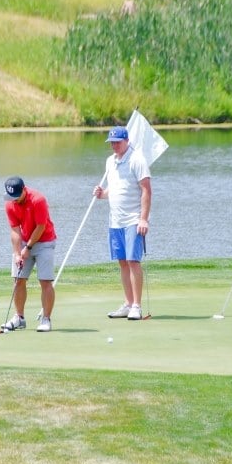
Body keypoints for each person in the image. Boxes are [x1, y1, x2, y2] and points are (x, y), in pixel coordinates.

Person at [93, 126, 152, 320]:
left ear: (126, 141)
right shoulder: (110, 161)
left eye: (117, 142)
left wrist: (143, 218)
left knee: (133, 261)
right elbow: (116, 188)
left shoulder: (137, 159)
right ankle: (127, 303)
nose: (114, 145)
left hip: (134, 219)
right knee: (122, 262)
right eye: (112, 142)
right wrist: (102, 195)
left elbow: (146, 190)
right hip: (115, 220)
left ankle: (136, 305)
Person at [1, 176, 57, 332]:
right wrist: (17, 253)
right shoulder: (10, 204)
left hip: (45, 241)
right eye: (12, 197)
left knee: (45, 281)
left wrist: (29, 247)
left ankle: (46, 319)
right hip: (25, 241)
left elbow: (41, 226)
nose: (14, 200)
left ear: (24, 190)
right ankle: (19, 318)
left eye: (17, 197)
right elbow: (15, 230)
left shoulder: (38, 200)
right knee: (18, 279)